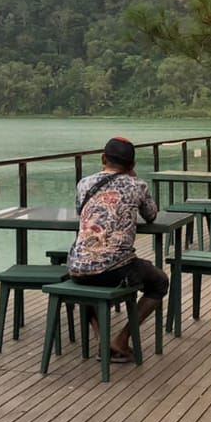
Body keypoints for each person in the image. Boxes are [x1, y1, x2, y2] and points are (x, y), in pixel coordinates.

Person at [68, 136, 168, 363]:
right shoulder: (137, 185)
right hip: (116, 269)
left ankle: (101, 339)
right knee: (159, 281)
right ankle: (120, 340)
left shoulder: (84, 183)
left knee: (88, 279)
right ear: (132, 165)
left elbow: (79, 213)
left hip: (78, 267)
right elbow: (151, 215)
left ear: (103, 158)